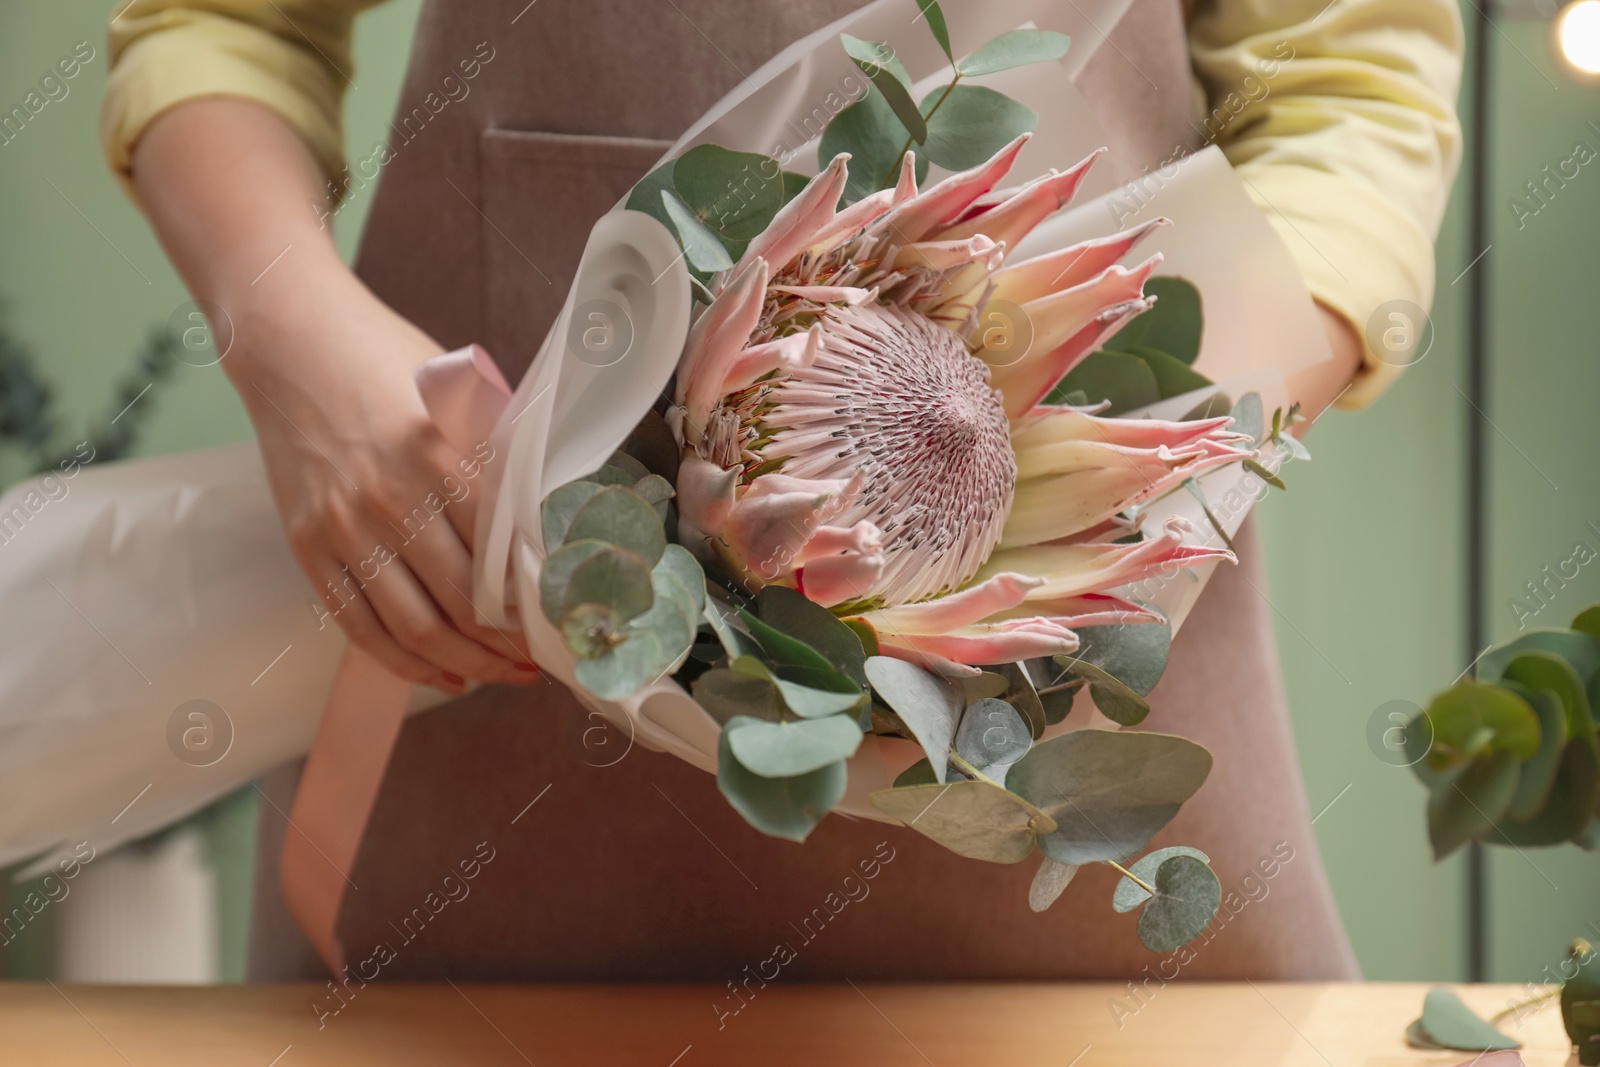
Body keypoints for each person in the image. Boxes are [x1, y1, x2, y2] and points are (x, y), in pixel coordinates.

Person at [101, 0, 1462, 980]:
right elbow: (216, 26)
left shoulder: (1108, 510)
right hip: (467, 672)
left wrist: (1136, 480)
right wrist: (289, 343)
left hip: (1066, 693)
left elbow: (1356, 86)